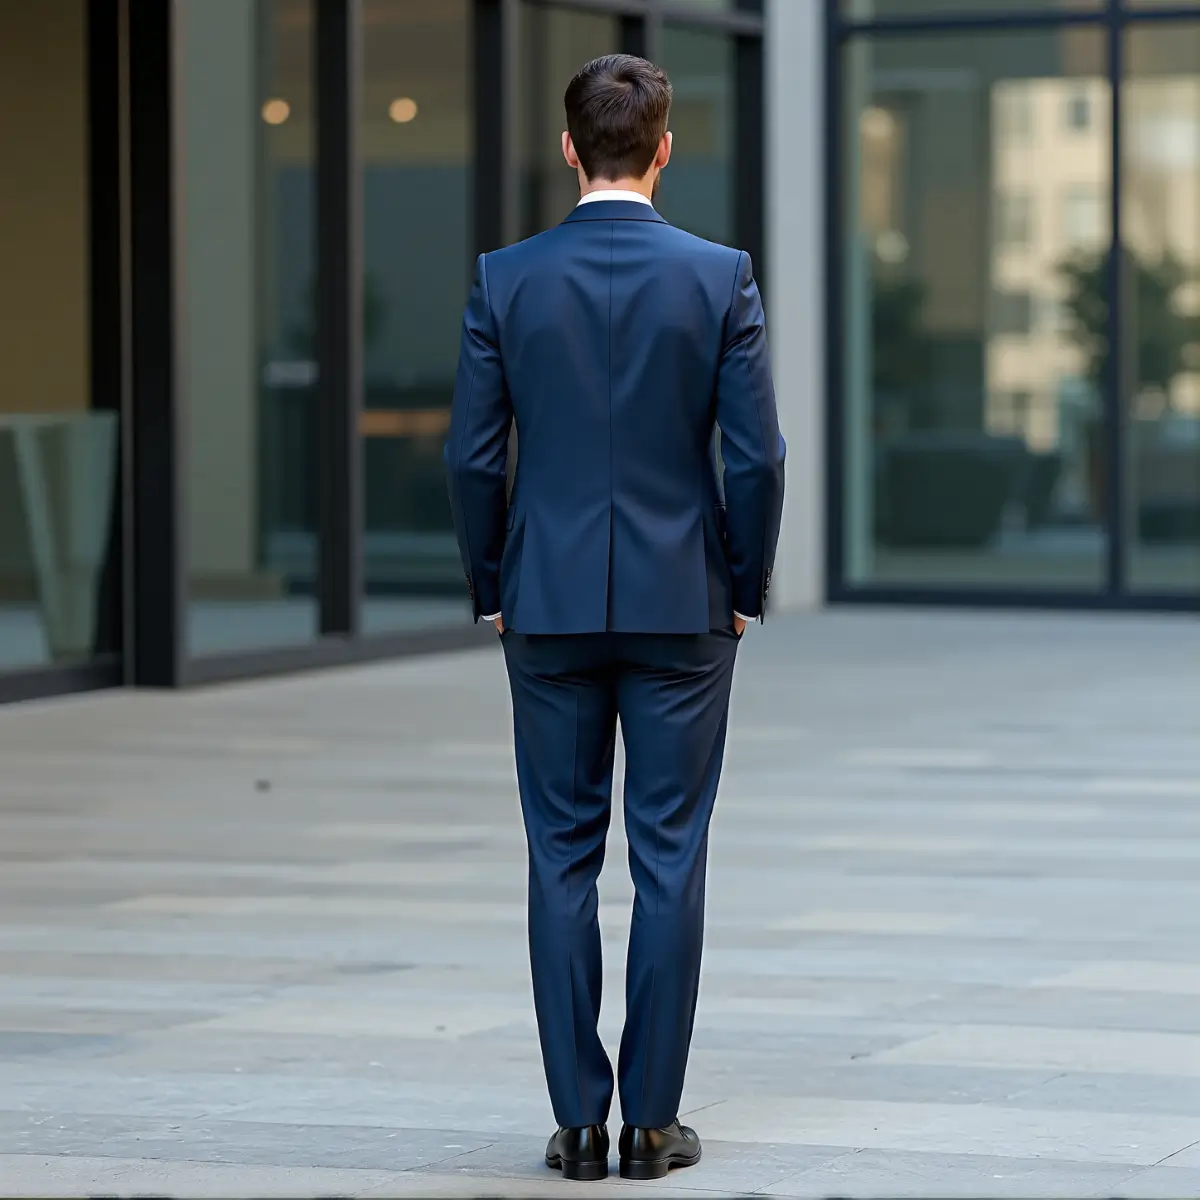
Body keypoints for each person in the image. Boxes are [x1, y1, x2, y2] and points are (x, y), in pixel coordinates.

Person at [445, 53, 785, 1183]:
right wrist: (745, 585)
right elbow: (757, 456)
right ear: (664, 150)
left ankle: (577, 1126)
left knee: (560, 854)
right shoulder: (718, 276)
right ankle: (653, 1124)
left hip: (545, 602)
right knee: (671, 854)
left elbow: (471, 457)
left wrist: (493, 584)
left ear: (567, 148)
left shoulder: (505, 278)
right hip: (684, 601)